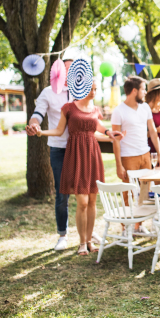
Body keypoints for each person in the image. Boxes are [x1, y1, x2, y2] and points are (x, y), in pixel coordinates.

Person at [36, 80, 123, 255]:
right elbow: (59, 130)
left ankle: (90, 241)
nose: (93, 92)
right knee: (82, 202)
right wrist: (41, 132)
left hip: (92, 154)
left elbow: (98, 127)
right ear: (81, 88)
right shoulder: (68, 108)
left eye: (96, 89)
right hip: (75, 154)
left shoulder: (95, 109)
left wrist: (109, 133)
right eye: (91, 89)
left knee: (92, 201)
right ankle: (82, 242)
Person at [26, 58, 76, 251]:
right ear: (58, 72)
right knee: (62, 195)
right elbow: (38, 113)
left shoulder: (82, 91)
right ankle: (62, 235)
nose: (69, 74)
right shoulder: (48, 92)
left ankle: (86, 235)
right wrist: (34, 124)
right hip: (59, 148)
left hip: (80, 148)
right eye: (66, 70)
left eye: (73, 71)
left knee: (84, 193)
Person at [112, 76, 160, 235]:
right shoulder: (118, 111)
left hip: (145, 155)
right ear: (134, 91)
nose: (144, 92)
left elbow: (153, 132)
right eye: (142, 89)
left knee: (144, 194)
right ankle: (125, 227)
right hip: (128, 157)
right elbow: (115, 139)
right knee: (128, 193)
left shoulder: (145, 108)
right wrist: (118, 164)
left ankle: (138, 226)